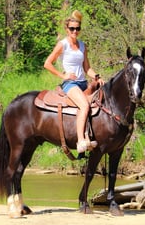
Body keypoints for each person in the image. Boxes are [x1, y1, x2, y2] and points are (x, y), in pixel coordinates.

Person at [44, 10, 104, 153]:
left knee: (100, 101)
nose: (75, 31)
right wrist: (63, 75)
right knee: (84, 105)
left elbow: (87, 67)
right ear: (67, 29)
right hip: (70, 84)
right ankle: (81, 141)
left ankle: (90, 137)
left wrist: (96, 77)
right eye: (72, 28)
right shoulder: (62, 44)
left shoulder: (83, 45)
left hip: (83, 83)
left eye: (77, 28)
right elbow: (47, 63)